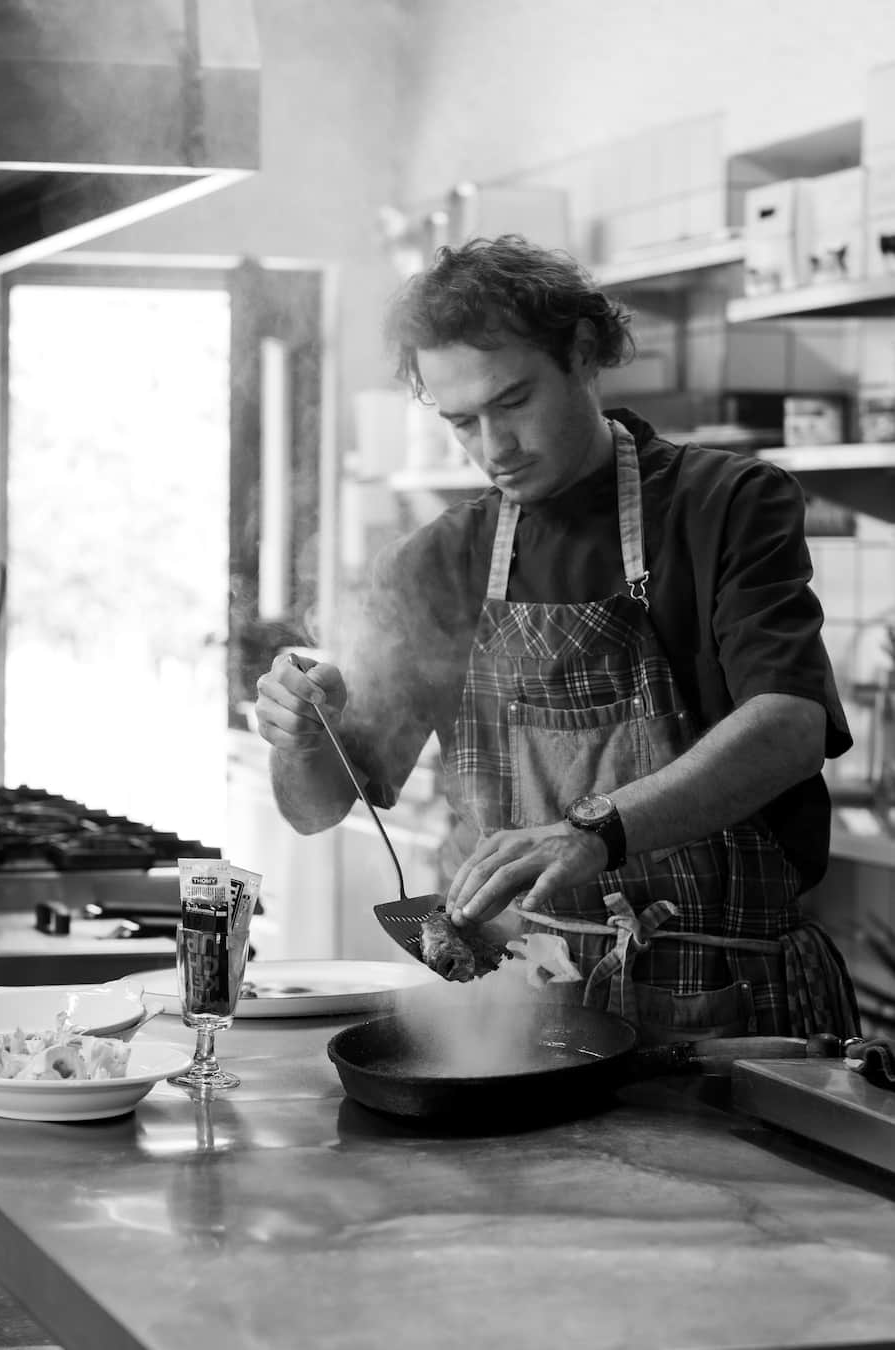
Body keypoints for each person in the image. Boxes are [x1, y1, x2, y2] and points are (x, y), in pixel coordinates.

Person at [255, 234, 860, 1044]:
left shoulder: (725, 504)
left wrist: (593, 829)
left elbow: (791, 727)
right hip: (508, 1021)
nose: (492, 448)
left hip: (726, 1014)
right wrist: (298, 735)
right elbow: (322, 805)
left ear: (582, 352)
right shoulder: (436, 563)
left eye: (512, 403)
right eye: (461, 422)